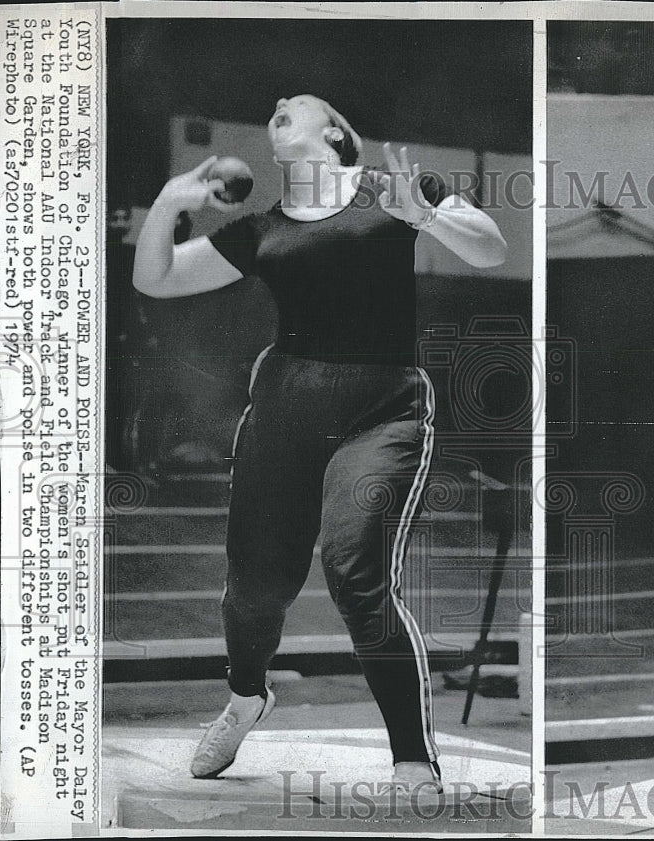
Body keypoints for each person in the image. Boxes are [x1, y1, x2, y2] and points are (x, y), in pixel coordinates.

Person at [133, 94, 507, 790]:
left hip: (382, 408)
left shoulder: (389, 192)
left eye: (293, 105)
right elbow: (154, 276)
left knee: (355, 566)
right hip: (282, 409)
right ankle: (247, 695)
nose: (277, 105)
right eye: (274, 108)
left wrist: (427, 213)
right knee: (254, 587)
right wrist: (166, 201)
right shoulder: (262, 228)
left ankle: (411, 756)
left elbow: (491, 248)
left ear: (333, 132)